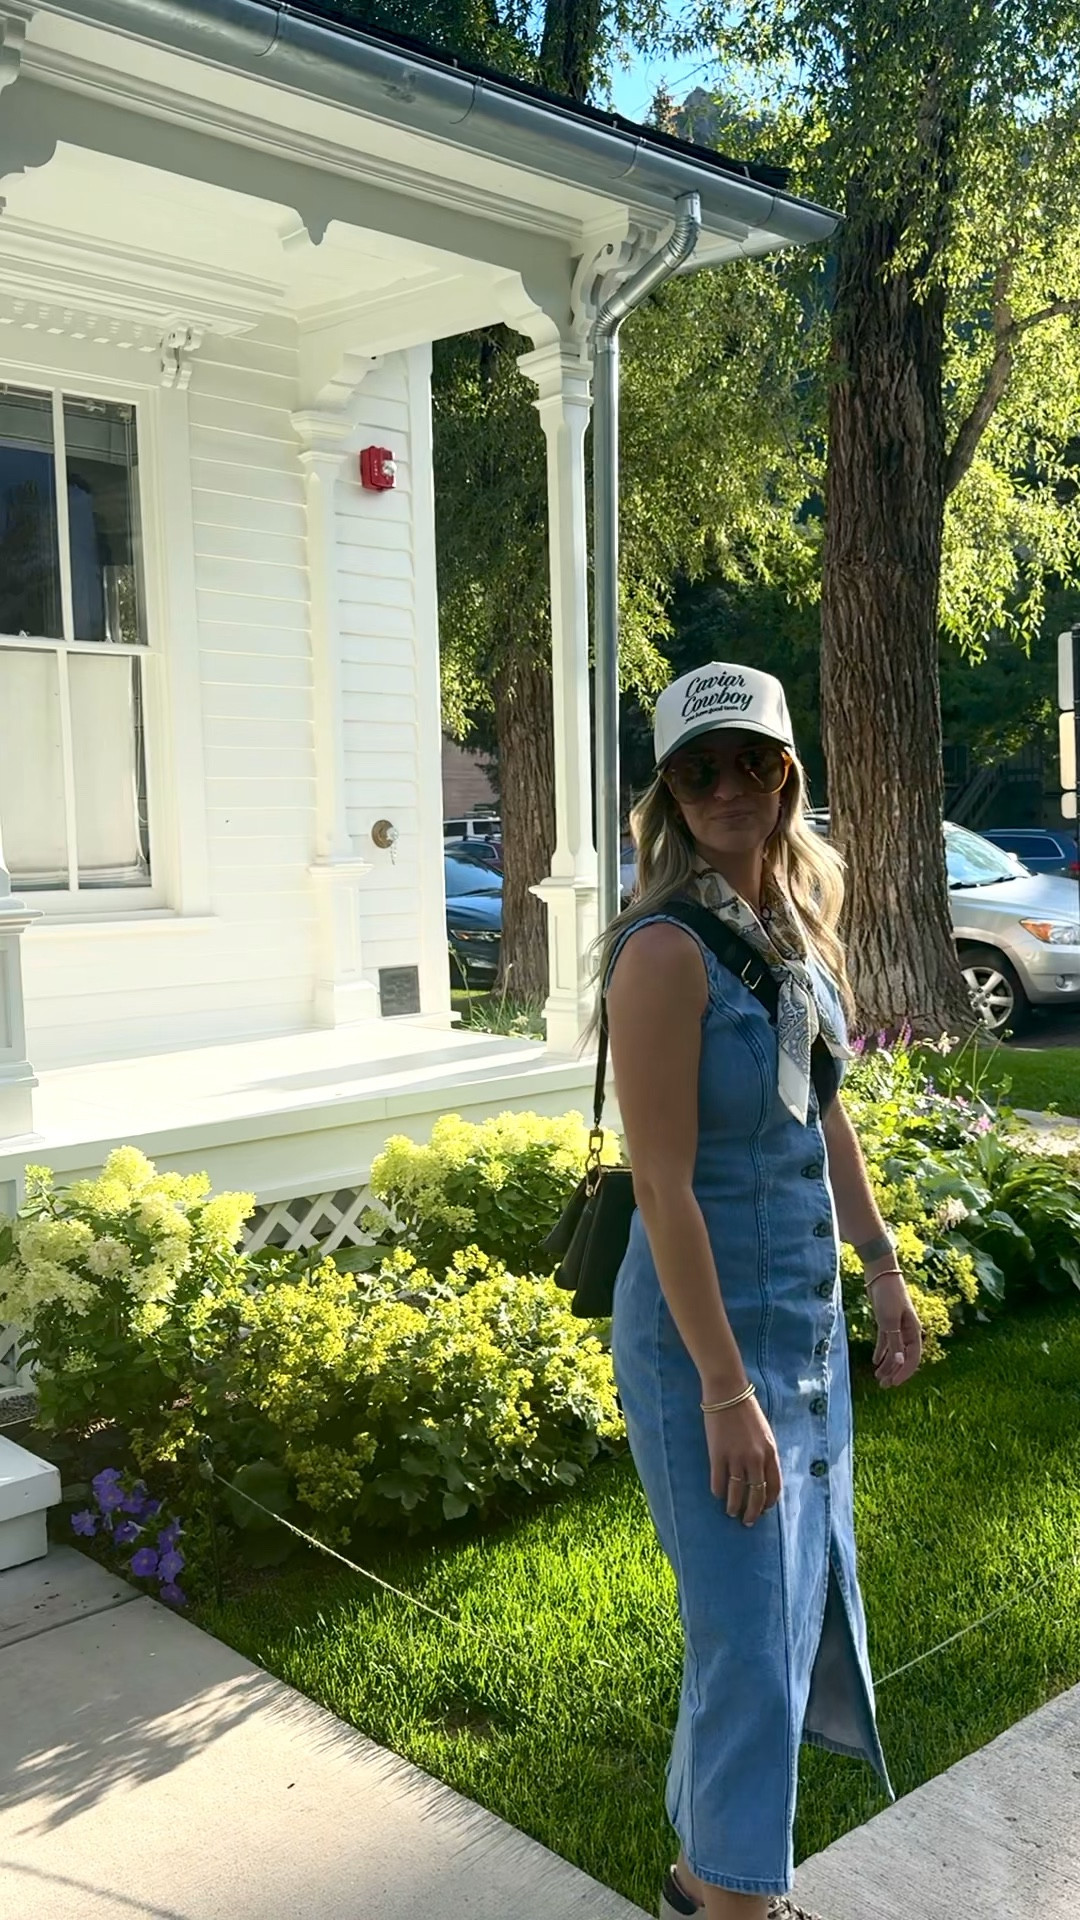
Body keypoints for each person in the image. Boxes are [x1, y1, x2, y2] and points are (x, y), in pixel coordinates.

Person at [600, 663, 923, 1920]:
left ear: (789, 776)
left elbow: (822, 1115)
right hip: (706, 1349)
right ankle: (732, 1901)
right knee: (745, 1632)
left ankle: (708, 1879)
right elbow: (663, 1188)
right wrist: (726, 1392)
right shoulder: (664, 955)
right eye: (699, 770)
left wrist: (881, 1269)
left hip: (800, 1335)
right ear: (669, 798)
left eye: (754, 763)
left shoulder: (791, 933)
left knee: (784, 1614)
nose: (728, 789)